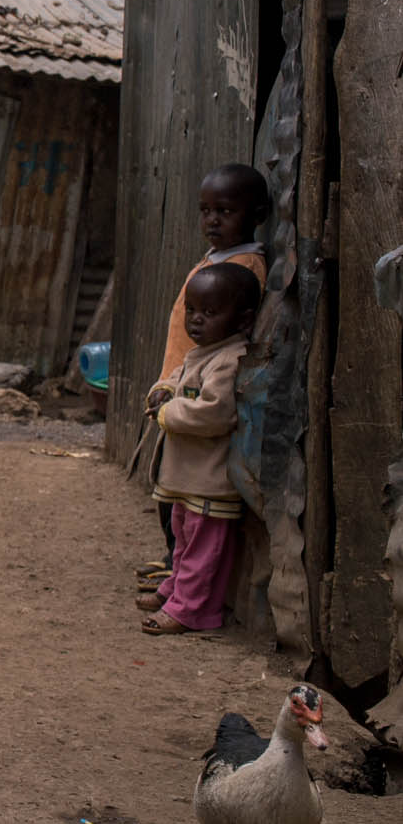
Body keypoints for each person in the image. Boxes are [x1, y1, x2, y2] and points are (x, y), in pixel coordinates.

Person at [135, 163, 270, 594]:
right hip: (179, 380)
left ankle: (188, 582)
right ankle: (174, 565)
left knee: (192, 496)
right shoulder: (217, 260)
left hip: (202, 390)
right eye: (206, 210)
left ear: (256, 213)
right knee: (169, 487)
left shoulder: (247, 267)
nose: (212, 220)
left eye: (225, 211)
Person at [139, 264, 260, 636]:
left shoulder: (229, 359)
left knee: (202, 546)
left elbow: (214, 412)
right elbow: (179, 380)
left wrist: (167, 412)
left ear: (242, 318)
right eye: (192, 310)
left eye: (209, 313)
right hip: (190, 478)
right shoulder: (204, 352)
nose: (196, 320)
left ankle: (191, 609)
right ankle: (178, 590)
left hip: (209, 479)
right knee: (184, 536)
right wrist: (163, 390)